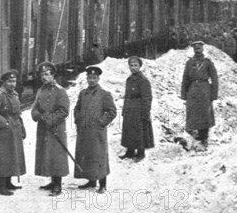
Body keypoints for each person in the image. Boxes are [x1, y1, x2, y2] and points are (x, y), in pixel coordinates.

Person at [74, 66, 117, 194]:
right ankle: (91, 180)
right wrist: (78, 120)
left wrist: (101, 122)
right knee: (86, 155)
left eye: (94, 78)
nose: (91, 80)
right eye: (89, 78)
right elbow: (77, 109)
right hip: (84, 131)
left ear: (98, 79)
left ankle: (102, 184)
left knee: (99, 156)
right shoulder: (83, 94)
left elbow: (111, 111)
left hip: (97, 132)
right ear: (86, 78)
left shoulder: (104, 95)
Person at [31, 61, 70, 196]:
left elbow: (64, 111)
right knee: (47, 155)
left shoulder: (60, 91)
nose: (44, 77)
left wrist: (51, 119)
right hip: (43, 128)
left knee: (56, 155)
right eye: (42, 74)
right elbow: (35, 108)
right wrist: (37, 115)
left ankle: (58, 185)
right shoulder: (41, 90)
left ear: (53, 75)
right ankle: (52, 181)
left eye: (47, 74)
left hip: (56, 129)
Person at [0, 70, 26, 196]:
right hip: (3, 131)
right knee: (2, 157)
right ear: (4, 82)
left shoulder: (14, 94)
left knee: (12, 156)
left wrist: (22, 128)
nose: (12, 84)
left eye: (14, 81)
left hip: (15, 129)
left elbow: (17, 113)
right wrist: (4, 123)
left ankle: (8, 182)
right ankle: (1, 187)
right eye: (9, 81)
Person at [181, 41, 219, 149]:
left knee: (204, 113)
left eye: (199, 48)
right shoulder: (189, 63)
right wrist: (184, 93)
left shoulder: (208, 63)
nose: (197, 50)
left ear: (203, 49)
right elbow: (185, 78)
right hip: (192, 90)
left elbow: (214, 78)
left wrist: (213, 94)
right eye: (195, 48)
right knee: (193, 112)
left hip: (204, 90)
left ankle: (204, 136)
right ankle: (195, 134)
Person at [120, 56, 154, 161]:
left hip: (139, 108)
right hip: (130, 108)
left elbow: (147, 97)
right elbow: (127, 95)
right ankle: (130, 151)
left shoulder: (143, 80)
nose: (133, 68)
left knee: (139, 130)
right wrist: (124, 109)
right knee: (129, 129)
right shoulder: (129, 79)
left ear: (140, 66)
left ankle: (140, 152)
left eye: (136, 65)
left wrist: (145, 112)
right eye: (131, 65)